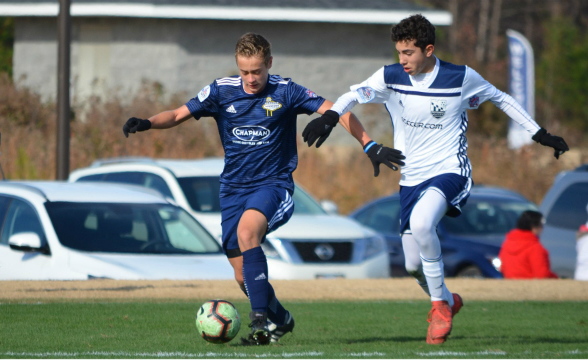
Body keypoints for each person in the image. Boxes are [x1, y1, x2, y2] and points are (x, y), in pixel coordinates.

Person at [302, 14, 569, 344]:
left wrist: (539, 134)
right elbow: (351, 96)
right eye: (399, 52)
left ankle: (439, 306)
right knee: (413, 264)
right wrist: (329, 118)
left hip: (450, 170)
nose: (403, 60)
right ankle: (448, 297)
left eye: (409, 53)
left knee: (424, 223)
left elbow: (501, 97)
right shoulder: (391, 75)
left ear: (428, 50)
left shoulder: (460, 77)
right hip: (411, 178)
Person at [122, 33, 402, 345]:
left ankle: (259, 322)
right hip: (232, 190)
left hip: (273, 185)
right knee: (243, 277)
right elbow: (176, 115)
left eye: (257, 71)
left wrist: (369, 145)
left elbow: (340, 111)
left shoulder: (287, 90)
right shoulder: (220, 91)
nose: (251, 78)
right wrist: (146, 123)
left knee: (247, 234)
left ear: (269, 63)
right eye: (245, 71)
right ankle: (281, 319)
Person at [499, 210, 558, 279]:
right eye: (541, 224)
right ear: (533, 226)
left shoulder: (507, 243)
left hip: (510, 284)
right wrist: (555, 277)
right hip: (530, 286)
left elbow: (502, 268)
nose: (542, 228)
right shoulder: (534, 247)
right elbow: (542, 274)